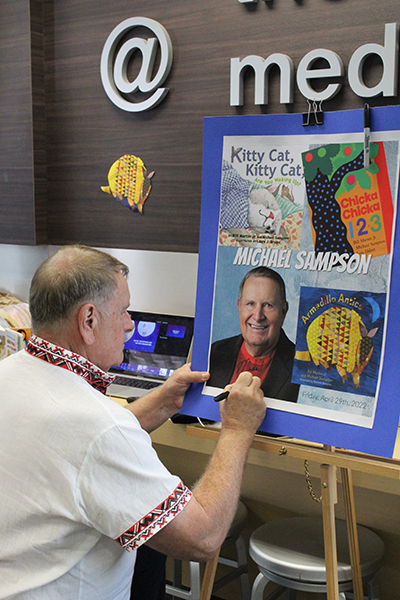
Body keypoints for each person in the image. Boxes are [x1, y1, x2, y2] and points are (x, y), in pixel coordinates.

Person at [0, 245, 266, 600]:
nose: (130, 324)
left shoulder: (11, 375)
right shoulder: (97, 426)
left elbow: (77, 451)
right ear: (89, 320)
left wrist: (162, 401)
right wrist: (237, 429)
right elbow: (202, 538)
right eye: (124, 311)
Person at [208, 266, 299, 402]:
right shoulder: (215, 352)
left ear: (283, 311)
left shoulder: (301, 368)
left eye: (268, 305)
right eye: (250, 304)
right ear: (239, 306)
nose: (257, 316)